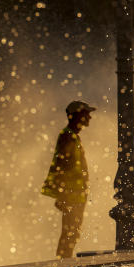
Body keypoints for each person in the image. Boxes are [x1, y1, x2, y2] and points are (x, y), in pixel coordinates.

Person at [41, 100, 95, 258]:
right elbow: (62, 165)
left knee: (72, 232)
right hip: (71, 195)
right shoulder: (68, 136)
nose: (89, 118)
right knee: (70, 233)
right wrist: (62, 195)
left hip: (75, 195)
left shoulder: (73, 137)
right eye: (87, 114)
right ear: (78, 116)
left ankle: (64, 264)